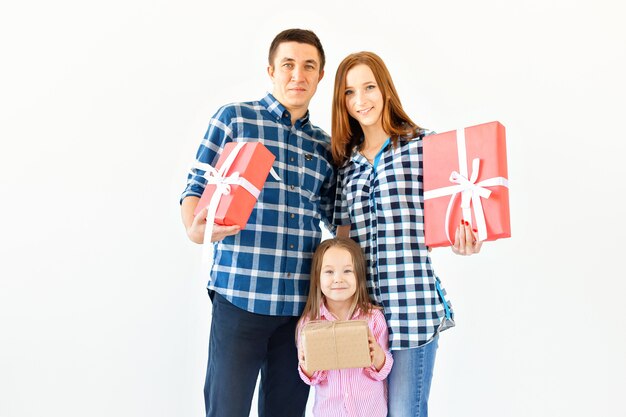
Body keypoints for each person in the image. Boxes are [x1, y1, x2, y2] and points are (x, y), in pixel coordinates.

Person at [179, 29, 336, 417]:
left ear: (319, 76)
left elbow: (338, 222)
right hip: (240, 297)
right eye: (288, 64)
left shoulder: (323, 146)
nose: (297, 75)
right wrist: (195, 227)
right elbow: (195, 188)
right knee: (226, 409)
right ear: (271, 70)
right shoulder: (235, 118)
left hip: (298, 309)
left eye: (308, 66)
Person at [331, 51, 482, 417]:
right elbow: (342, 243)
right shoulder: (346, 165)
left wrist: (468, 240)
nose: (361, 100)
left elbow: (457, 212)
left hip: (411, 306)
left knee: (404, 412)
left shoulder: (422, 145)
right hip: (364, 314)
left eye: (369, 87)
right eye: (350, 92)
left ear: (385, 89)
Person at [297, 237, 393, 417]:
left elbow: (383, 371)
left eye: (347, 271)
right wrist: (306, 365)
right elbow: (312, 378)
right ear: (317, 278)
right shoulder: (310, 324)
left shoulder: (373, 318)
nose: (338, 279)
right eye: (329, 272)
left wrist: (378, 356)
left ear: (359, 276)